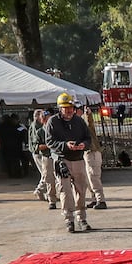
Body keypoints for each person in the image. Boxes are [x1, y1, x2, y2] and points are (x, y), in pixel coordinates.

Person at [48, 94, 92, 233]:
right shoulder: (53, 122)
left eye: (71, 108)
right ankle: (69, 220)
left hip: (78, 159)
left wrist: (83, 145)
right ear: (60, 108)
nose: (68, 111)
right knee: (65, 192)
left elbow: (88, 138)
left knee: (81, 190)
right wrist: (65, 145)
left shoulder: (79, 121)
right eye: (65, 108)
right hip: (63, 160)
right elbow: (50, 142)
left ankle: (81, 217)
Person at [30, 109, 59, 208]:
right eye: (45, 118)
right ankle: (52, 200)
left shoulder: (56, 130)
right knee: (48, 179)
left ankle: (62, 197)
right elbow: (37, 146)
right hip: (47, 157)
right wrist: (49, 145)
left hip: (57, 156)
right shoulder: (40, 132)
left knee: (60, 178)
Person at [83, 112, 107, 208]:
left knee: (93, 177)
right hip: (87, 153)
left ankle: (101, 200)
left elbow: (90, 122)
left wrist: (88, 115)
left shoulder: (85, 125)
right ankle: (94, 199)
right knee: (88, 179)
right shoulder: (78, 125)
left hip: (92, 152)